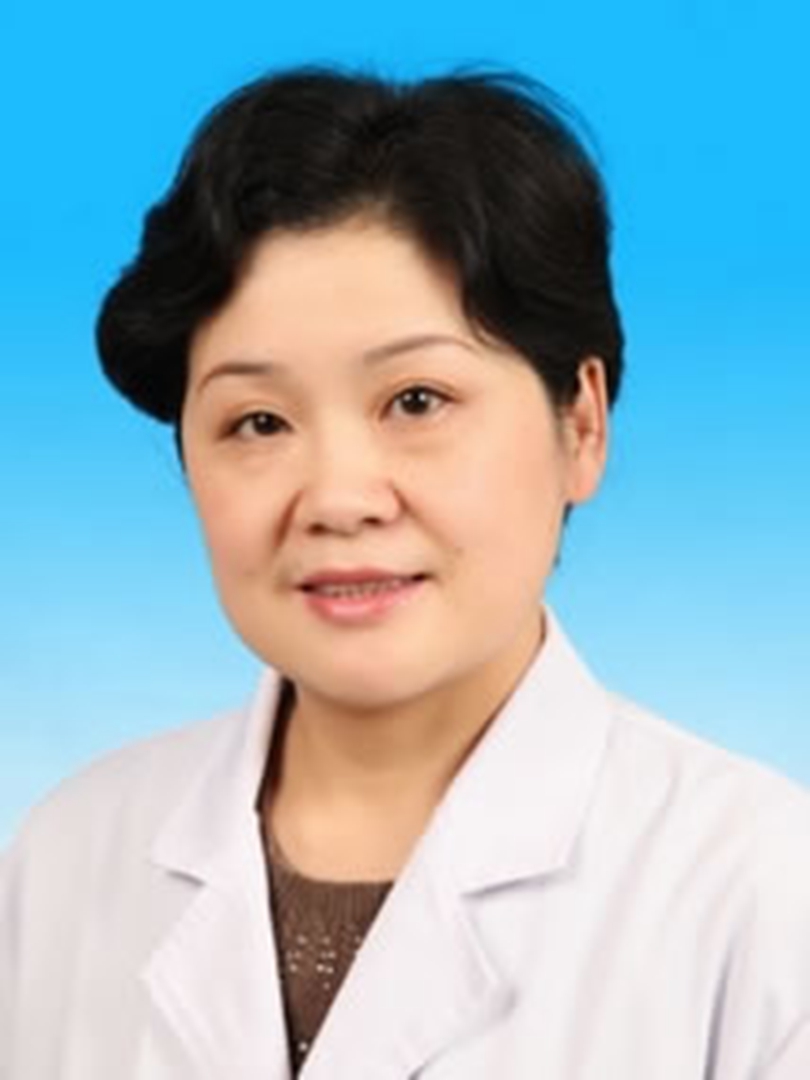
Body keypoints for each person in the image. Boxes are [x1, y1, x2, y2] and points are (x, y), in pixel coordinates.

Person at [1, 65, 808, 1080]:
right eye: (259, 421)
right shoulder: (71, 860)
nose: (340, 498)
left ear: (582, 425)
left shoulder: (760, 891)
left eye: (417, 401)